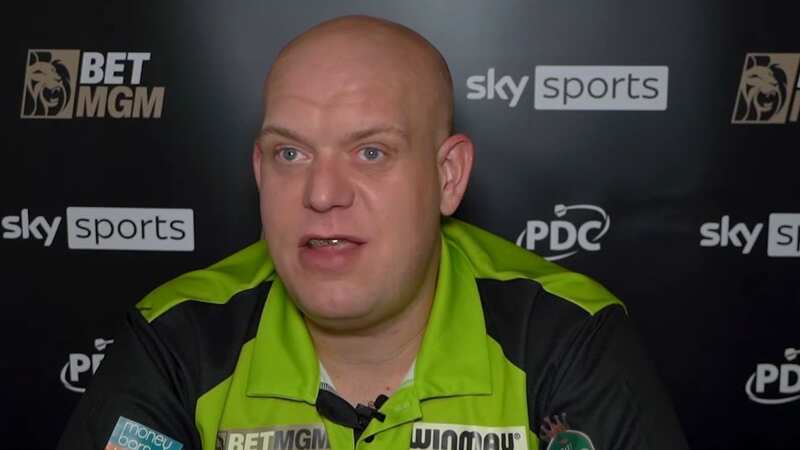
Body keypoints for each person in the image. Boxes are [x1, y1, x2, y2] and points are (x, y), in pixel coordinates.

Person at [57, 15, 689, 450]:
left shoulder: (565, 336)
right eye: (290, 155)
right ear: (258, 171)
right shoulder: (179, 337)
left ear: (448, 176)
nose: (322, 194)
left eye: (371, 153)